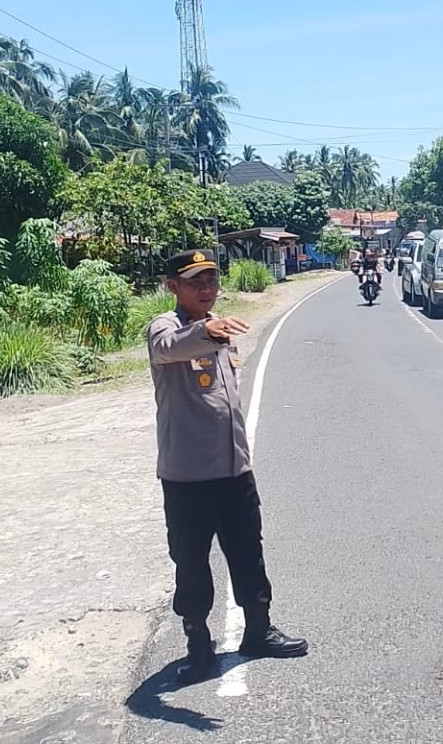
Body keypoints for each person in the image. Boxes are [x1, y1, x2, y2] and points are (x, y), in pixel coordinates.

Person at [146, 249, 308, 685]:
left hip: (234, 471)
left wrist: (214, 330)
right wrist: (206, 329)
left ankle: (258, 631)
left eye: (212, 280)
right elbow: (168, 348)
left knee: (248, 553)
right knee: (192, 563)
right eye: (195, 281)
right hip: (188, 478)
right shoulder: (167, 327)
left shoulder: (222, 328)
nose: (206, 288)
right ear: (173, 287)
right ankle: (199, 646)